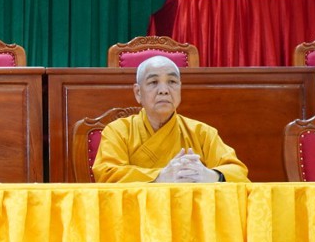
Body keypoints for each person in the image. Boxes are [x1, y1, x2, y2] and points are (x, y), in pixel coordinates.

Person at [93, 56, 248, 183]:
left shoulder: (202, 133)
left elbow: (238, 172)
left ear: (180, 88)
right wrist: (160, 177)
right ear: (138, 93)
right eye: (153, 82)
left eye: (172, 82)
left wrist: (211, 175)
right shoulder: (118, 131)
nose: (164, 91)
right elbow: (106, 174)